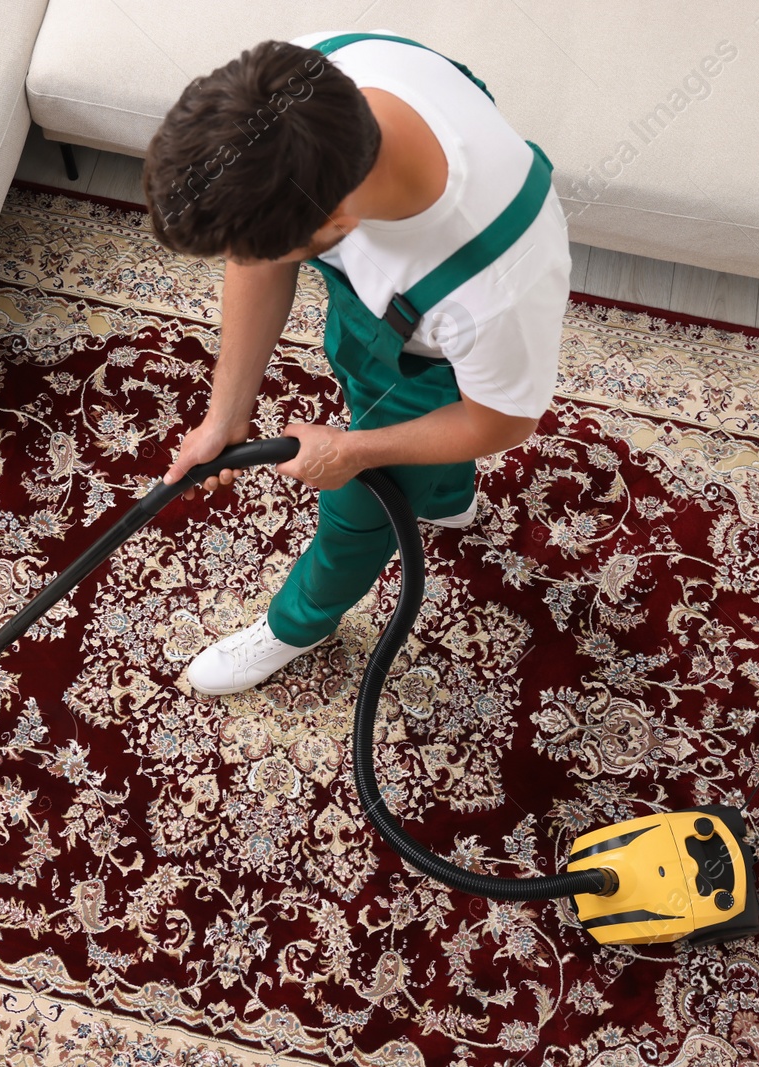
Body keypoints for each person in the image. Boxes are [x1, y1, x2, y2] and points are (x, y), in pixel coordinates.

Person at [143, 32, 571, 696]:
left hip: (431, 368)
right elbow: (259, 250)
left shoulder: (493, 286)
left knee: (357, 513)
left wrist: (352, 451)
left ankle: (298, 625)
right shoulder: (303, 88)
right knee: (378, 391)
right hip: (390, 327)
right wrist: (225, 416)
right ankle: (449, 499)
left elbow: (501, 419)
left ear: (339, 222)